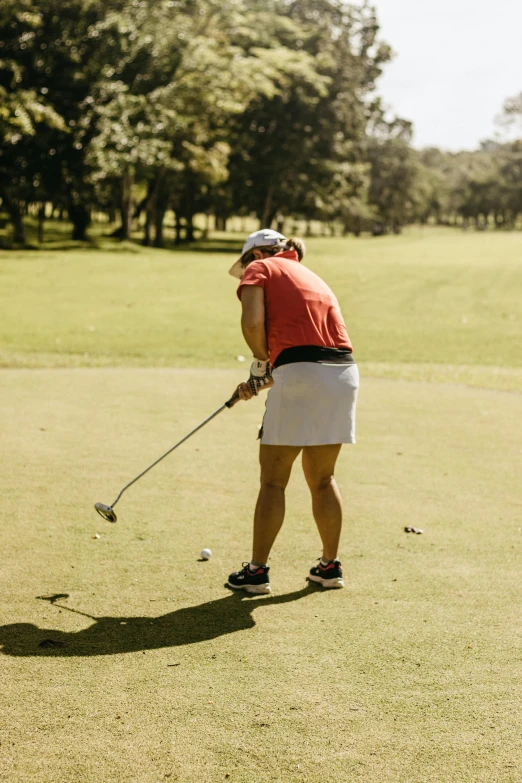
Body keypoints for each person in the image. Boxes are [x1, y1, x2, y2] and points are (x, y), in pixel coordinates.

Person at [227, 229, 359, 594]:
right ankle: (329, 568)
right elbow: (308, 351)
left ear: (256, 254)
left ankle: (256, 573)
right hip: (343, 375)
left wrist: (259, 362)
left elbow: (253, 324)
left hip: (301, 374)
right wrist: (261, 381)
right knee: (323, 479)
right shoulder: (311, 276)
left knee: (273, 480)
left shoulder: (261, 268)